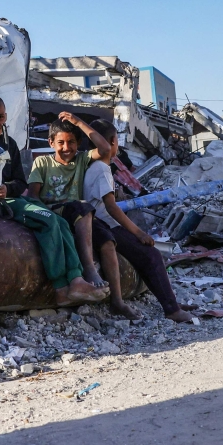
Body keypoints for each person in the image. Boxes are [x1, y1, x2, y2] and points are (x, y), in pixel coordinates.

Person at [0, 94, 107, 304]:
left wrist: (7, 188)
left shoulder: (9, 144)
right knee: (46, 220)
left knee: (60, 221)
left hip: (8, 200)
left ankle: (75, 279)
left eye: (0, 117)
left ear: (6, 117)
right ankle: (59, 287)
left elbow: (20, 182)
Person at [82, 119, 196, 323]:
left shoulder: (94, 167)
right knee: (151, 255)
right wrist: (139, 233)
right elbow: (111, 207)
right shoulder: (101, 168)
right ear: (112, 142)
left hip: (101, 222)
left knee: (150, 256)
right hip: (107, 225)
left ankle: (172, 302)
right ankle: (171, 309)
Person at [28, 112, 112, 289]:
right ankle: (88, 268)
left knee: (101, 229)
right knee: (82, 208)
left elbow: (105, 149)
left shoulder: (81, 160)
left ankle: (90, 268)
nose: (66, 147)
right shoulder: (42, 162)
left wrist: (78, 122)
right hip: (50, 211)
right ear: (51, 143)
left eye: (71, 142)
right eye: (61, 142)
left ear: (78, 143)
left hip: (75, 212)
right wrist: (47, 215)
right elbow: (33, 195)